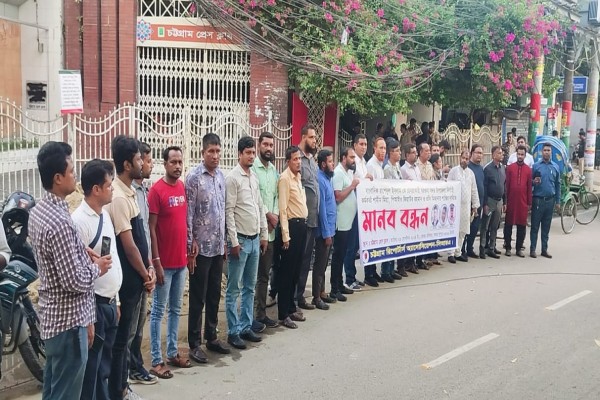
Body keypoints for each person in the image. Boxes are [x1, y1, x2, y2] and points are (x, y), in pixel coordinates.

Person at [29, 142, 112, 400]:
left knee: (53, 392)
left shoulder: (40, 211)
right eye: (72, 171)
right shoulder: (59, 222)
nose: (75, 176)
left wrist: (79, 249)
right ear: (58, 178)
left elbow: (52, 255)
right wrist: (97, 268)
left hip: (54, 320)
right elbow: (74, 281)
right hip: (68, 325)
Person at [105, 135, 156, 400]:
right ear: (127, 164)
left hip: (139, 278)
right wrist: (146, 273)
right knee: (121, 339)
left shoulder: (131, 192)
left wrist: (149, 268)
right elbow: (129, 246)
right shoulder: (118, 197)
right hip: (128, 281)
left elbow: (141, 238)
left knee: (130, 334)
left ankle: (123, 385)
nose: (142, 163)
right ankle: (119, 390)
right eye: (138, 159)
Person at [73, 159, 123, 400]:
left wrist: (117, 300)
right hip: (95, 307)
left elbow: (112, 257)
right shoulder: (79, 222)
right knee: (92, 372)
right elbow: (79, 275)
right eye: (109, 185)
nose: (112, 189)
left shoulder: (104, 215)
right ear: (96, 189)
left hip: (110, 304)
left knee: (104, 368)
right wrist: (88, 319)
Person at [186, 133, 231, 363]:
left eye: (217, 151)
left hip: (217, 246)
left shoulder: (221, 177)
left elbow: (222, 211)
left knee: (214, 294)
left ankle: (211, 336)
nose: (215, 155)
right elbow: (188, 213)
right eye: (210, 151)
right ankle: (194, 343)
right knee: (198, 297)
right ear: (202, 153)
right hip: (200, 249)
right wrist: (190, 243)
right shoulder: (194, 178)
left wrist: (224, 241)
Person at [148, 147, 190, 373]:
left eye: (180, 162)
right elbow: (152, 229)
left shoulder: (182, 187)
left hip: (181, 262)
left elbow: (183, 222)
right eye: (173, 162)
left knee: (175, 309)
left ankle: (172, 353)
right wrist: (156, 262)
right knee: (158, 311)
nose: (177, 166)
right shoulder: (156, 191)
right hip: (164, 265)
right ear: (164, 164)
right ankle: (156, 359)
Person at [225, 136, 269, 349]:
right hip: (240, 242)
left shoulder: (253, 177)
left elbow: (259, 206)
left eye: (253, 152)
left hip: (254, 240)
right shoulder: (232, 178)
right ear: (239, 154)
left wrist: (264, 234)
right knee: (234, 288)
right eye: (248, 153)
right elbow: (229, 211)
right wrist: (233, 241)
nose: (251, 156)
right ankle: (233, 332)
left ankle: (245, 326)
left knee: (250, 287)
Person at [128, 142, 158, 385]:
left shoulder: (144, 191)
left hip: (145, 264)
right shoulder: (127, 194)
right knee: (130, 325)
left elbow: (147, 232)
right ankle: (129, 369)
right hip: (134, 268)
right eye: (146, 160)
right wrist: (144, 268)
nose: (149, 165)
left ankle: (135, 364)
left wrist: (151, 265)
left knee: (140, 322)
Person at [277, 146, 309, 329]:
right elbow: (282, 209)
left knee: (296, 270)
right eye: (295, 159)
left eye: (300, 159)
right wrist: (285, 236)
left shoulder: (297, 178)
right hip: (292, 228)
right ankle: (283, 314)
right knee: (287, 273)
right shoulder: (285, 179)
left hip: (302, 226)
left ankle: (291, 307)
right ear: (288, 161)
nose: (298, 162)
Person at [251, 132, 280, 330]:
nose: (269, 148)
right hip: (256, 230)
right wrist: (268, 215)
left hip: (271, 231)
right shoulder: (253, 169)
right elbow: (256, 198)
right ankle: (249, 316)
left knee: (264, 275)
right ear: (259, 145)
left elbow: (276, 196)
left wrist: (275, 215)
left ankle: (261, 314)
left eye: (271, 145)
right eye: (266, 144)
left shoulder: (273, 170)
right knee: (251, 277)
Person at [295, 124, 319, 311]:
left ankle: (300, 295)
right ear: (303, 137)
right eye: (311, 137)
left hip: (313, 219)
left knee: (305, 261)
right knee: (298, 259)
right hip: (300, 219)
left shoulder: (312, 160)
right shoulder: (297, 159)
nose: (314, 141)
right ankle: (292, 299)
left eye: (315, 138)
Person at [331, 148, 360, 302]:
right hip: (341, 222)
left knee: (342, 255)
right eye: (351, 157)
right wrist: (352, 186)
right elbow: (338, 197)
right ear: (343, 158)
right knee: (338, 256)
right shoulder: (338, 173)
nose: (353, 160)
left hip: (348, 221)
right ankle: (334, 289)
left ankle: (340, 284)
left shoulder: (348, 172)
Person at [343, 134, 371, 291]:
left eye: (365, 144)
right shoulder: (353, 163)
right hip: (353, 208)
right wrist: (365, 178)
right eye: (361, 144)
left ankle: (352, 276)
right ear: (355, 145)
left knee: (356, 246)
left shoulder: (363, 162)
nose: (364, 147)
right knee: (350, 245)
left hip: (362, 208)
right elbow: (354, 182)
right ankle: (349, 278)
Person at [311, 149, 337, 309]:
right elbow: (321, 210)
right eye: (330, 162)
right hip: (323, 232)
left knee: (324, 263)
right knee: (319, 265)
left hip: (331, 229)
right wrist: (327, 233)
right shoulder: (320, 180)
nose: (332, 164)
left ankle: (322, 292)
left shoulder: (328, 178)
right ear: (323, 164)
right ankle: (316, 297)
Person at [447, 150, 480, 263]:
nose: (464, 161)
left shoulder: (471, 173)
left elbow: (474, 190)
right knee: (454, 229)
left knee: (462, 230)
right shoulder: (454, 171)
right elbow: (448, 187)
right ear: (460, 158)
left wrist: (475, 206)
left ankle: (458, 252)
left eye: (467, 159)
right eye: (463, 158)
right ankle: (451, 253)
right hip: (455, 206)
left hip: (466, 206)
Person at [530, 143, 561, 259]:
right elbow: (529, 182)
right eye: (545, 150)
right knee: (535, 226)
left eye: (548, 150)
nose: (547, 152)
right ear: (542, 152)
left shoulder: (555, 167)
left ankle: (544, 249)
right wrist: (534, 182)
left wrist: (558, 202)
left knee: (546, 227)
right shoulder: (536, 166)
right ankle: (532, 249)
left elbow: (558, 185)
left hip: (550, 201)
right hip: (538, 200)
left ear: (551, 152)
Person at [382, 140, 406, 280]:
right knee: (389, 240)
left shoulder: (397, 166)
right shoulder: (387, 168)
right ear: (390, 153)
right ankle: (386, 271)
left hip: (398, 208)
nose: (399, 153)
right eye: (397, 151)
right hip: (390, 208)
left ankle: (391, 269)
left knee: (395, 241)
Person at [364, 136, 386, 286]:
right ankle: (369, 274)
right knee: (370, 242)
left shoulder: (380, 165)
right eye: (380, 148)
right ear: (374, 148)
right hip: (372, 209)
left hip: (380, 208)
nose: (383, 151)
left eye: (384, 148)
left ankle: (373, 271)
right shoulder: (371, 165)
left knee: (376, 242)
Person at [504, 145, 532, 258]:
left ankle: (519, 248)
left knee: (521, 226)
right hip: (511, 201)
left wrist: (529, 203)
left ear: (525, 156)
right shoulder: (510, 168)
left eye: (522, 154)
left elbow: (529, 187)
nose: (520, 156)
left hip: (523, 202)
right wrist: (505, 201)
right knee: (508, 225)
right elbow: (506, 186)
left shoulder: (528, 170)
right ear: (516, 155)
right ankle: (508, 248)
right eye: (518, 154)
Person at [479, 145, 506, 260]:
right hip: (490, 200)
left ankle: (491, 247)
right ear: (493, 155)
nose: (501, 155)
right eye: (499, 153)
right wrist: (485, 203)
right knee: (485, 226)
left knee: (495, 225)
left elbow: (504, 185)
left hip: (499, 201)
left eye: (502, 153)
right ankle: (482, 248)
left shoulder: (502, 168)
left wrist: (505, 201)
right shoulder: (487, 168)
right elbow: (484, 187)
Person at [400, 143, 422, 274]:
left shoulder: (416, 168)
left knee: (415, 237)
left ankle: (412, 262)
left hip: (418, 206)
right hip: (408, 207)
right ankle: (404, 264)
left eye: (416, 152)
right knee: (406, 237)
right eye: (413, 152)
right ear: (407, 155)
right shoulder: (403, 170)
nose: (416, 154)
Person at [462, 144, 485, 259]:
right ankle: (462, 250)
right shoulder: (468, 168)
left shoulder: (481, 168)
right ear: (472, 154)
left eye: (481, 153)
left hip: (478, 203)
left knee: (475, 228)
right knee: (465, 228)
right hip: (468, 204)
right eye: (477, 153)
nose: (479, 155)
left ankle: (470, 249)